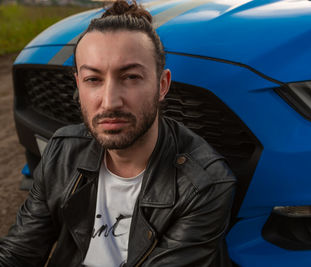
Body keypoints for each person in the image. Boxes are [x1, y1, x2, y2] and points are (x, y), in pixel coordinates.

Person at [0, 1, 236, 266]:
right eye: (93, 79)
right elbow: (17, 254)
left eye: (131, 77)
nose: (110, 101)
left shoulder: (203, 184)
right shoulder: (61, 152)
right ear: (78, 85)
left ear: (162, 85)